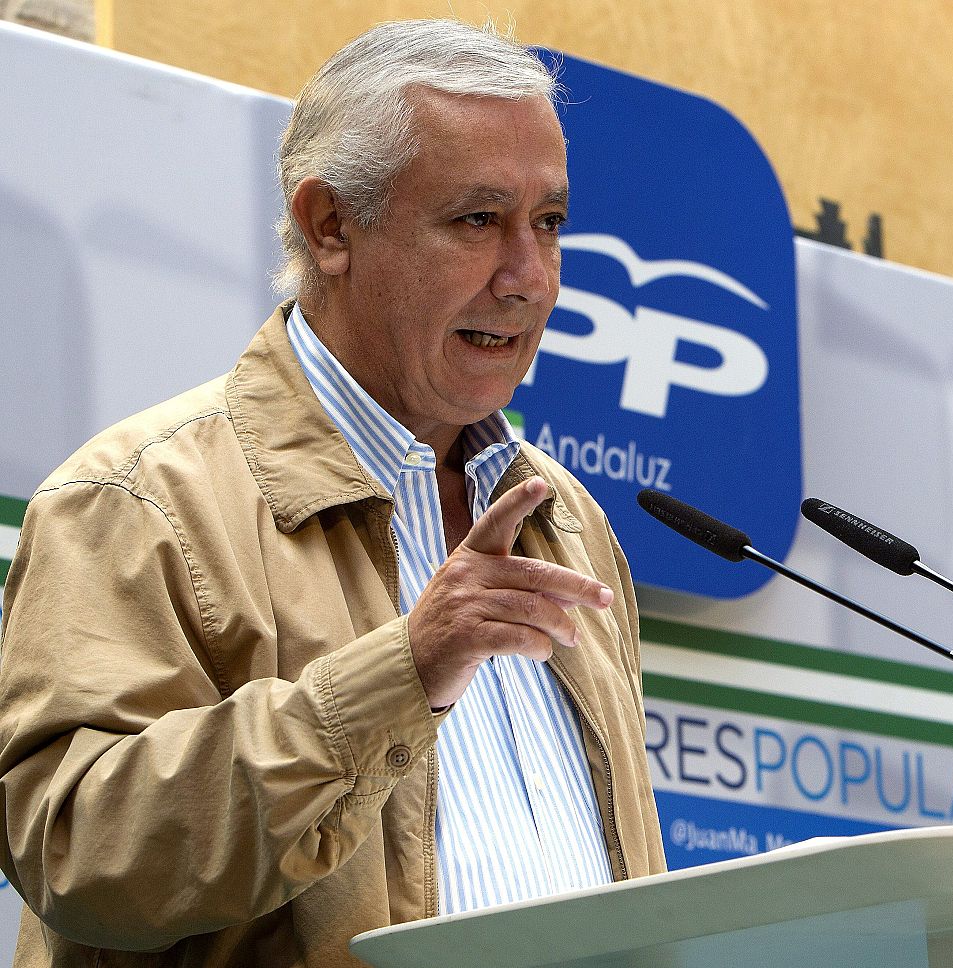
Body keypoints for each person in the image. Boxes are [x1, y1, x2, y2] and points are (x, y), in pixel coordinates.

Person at [0, 19, 665, 966]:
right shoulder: (138, 498)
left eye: (549, 223)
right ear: (331, 226)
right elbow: (80, 853)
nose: (530, 278)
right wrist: (401, 674)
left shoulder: (567, 517)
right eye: (477, 220)